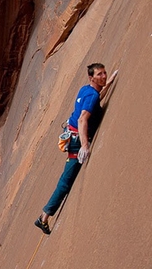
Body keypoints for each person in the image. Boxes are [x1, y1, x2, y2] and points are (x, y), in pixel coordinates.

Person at [34, 63, 118, 235]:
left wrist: (108, 83)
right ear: (91, 78)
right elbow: (82, 119)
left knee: (67, 177)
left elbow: (93, 103)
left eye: (104, 73)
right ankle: (44, 217)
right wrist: (85, 145)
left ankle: (44, 215)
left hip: (70, 134)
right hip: (76, 140)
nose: (103, 76)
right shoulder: (92, 95)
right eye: (99, 74)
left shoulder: (85, 90)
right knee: (67, 180)